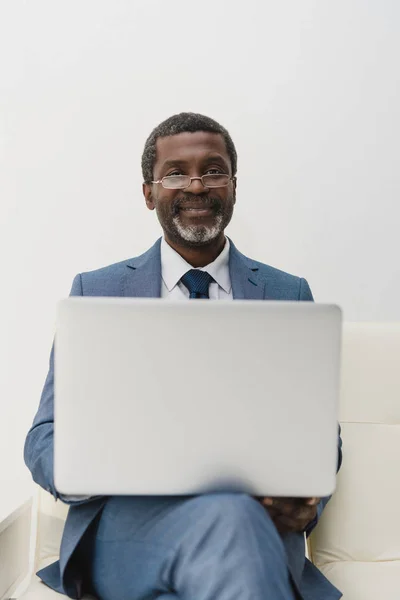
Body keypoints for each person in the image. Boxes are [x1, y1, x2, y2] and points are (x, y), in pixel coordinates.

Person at [24, 112, 343, 600]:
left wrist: (303, 500)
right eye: (176, 172)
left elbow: (319, 433)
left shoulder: (287, 292)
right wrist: (87, 468)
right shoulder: (99, 292)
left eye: (214, 170)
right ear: (149, 192)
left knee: (232, 530)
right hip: (131, 529)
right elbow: (44, 436)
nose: (197, 184)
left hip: (255, 523)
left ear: (234, 187)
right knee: (230, 528)